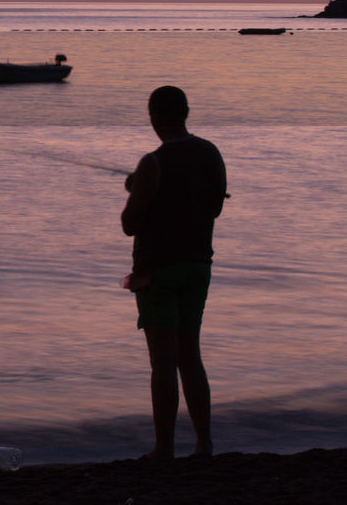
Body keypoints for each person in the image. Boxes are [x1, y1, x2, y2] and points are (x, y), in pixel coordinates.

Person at [121, 85, 227, 460]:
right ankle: (204, 444)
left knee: (163, 363)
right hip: (199, 265)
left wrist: (136, 191)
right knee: (190, 357)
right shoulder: (211, 153)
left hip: (159, 271)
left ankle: (164, 447)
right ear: (186, 112)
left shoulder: (154, 162)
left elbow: (129, 225)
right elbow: (214, 209)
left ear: (155, 116)